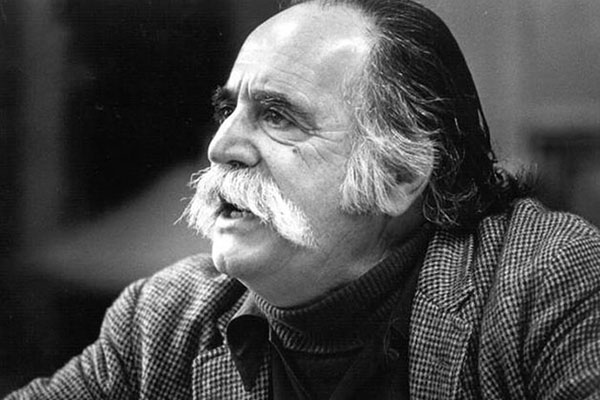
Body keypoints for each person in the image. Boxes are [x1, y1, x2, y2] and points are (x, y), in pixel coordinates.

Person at [7, 0, 600, 399]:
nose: (220, 147)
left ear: (399, 176)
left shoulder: (548, 280)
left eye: (278, 116)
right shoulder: (163, 318)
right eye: (228, 109)